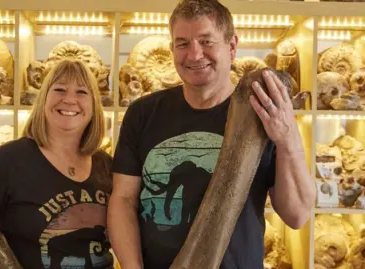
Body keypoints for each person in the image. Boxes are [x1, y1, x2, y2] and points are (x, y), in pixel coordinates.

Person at [107, 0, 316, 268]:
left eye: (206, 41)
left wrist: (287, 140)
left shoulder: (263, 113)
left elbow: (297, 215)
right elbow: (123, 200)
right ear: (172, 49)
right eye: (183, 43)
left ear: (232, 46)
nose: (194, 55)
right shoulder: (142, 113)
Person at [0, 58, 115, 269]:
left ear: (94, 105)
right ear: (44, 99)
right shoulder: (7, 160)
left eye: (81, 92)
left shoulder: (105, 164)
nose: (70, 100)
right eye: (59, 90)